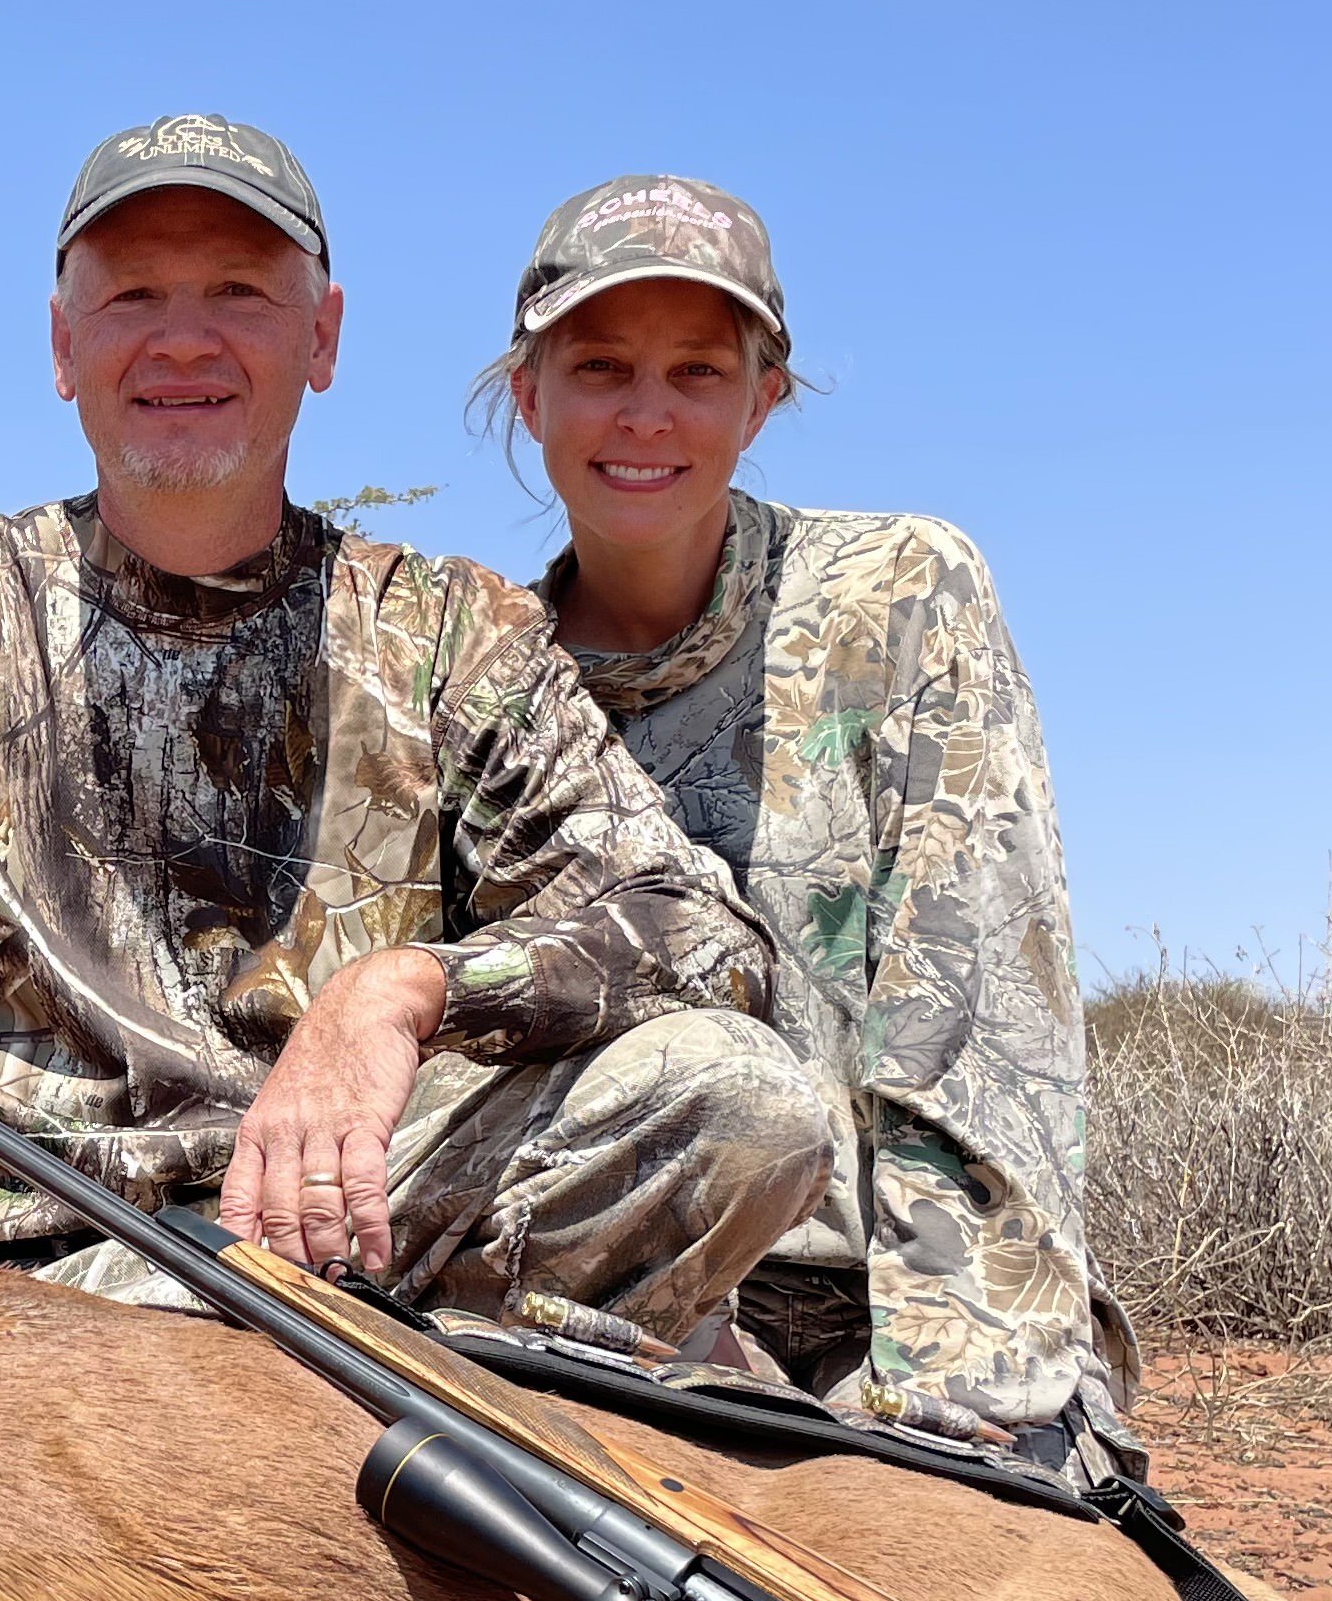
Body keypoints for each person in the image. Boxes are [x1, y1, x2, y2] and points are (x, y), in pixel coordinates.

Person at [0, 114, 827, 1346]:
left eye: (240, 294)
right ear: (62, 345)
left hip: (330, 1247)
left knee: (741, 1101)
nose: (183, 339)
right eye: (134, 292)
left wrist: (402, 993)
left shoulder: (451, 629)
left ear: (322, 338)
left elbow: (698, 934)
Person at [484, 174, 1134, 1469]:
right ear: (528, 394)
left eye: (697, 372)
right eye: (601, 366)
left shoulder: (899, 592)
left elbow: (978, 990)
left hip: (879, 1302)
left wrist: (964, 1383)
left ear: (764, 395)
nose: (646, 414)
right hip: (597, 1293)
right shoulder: (479, 672)